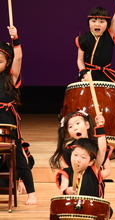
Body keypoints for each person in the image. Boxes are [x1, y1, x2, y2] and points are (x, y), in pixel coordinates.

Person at [75, 1, 115, 154]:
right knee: (87, 107)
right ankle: (85, 140)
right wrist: (83, 72)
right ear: (89, 23)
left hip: (106, 74)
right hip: (89, 75)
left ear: (107, 23)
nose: (97, 24)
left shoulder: (110, 34)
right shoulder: (83, 39)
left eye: (101, 21)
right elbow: (80, 60)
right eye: (94, 21)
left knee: (114, 108)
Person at [0, 26, 37, 205]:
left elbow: (19, 57)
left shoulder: (11, 77)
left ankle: (32, 194)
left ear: (7, 63)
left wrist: (15, 39)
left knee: (20, 157)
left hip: (7, 122)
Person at [55, 137, 113, 218]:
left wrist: (100, 127)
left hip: (91, 208)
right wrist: (68, 191)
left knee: (107, 210)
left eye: (83, 157)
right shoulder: (66, 172)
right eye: (75, 155)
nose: (77, 159)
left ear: (91, 162)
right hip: (72, 208)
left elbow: (102, 150)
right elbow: (62, 192)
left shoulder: (94, 170)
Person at [49, 110, 112, 180]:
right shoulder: (69, 149)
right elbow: (66, 173)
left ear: (87, 125)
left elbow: (107, 170)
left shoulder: (97, 145)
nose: (75, 128)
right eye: (70, 126)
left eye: (77, 123)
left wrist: (93, 179)